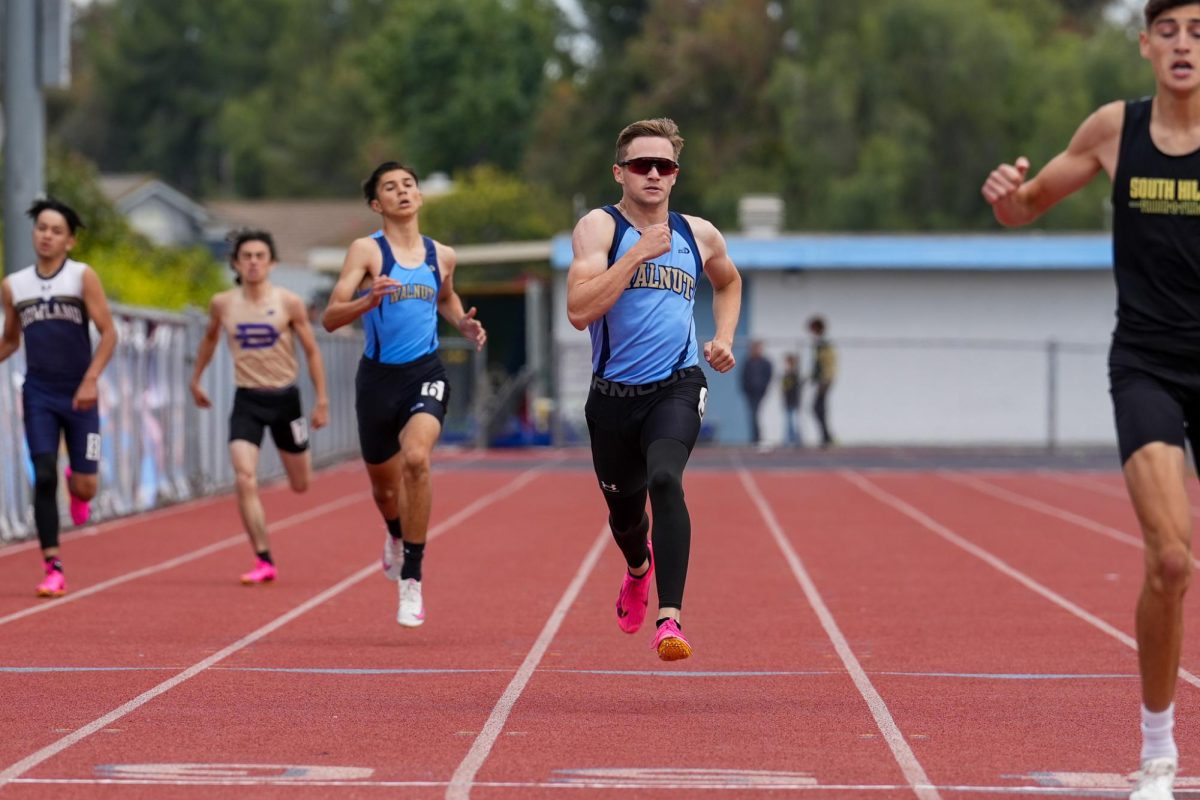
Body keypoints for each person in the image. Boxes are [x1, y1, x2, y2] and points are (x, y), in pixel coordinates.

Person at [981, 3, 1200, 796]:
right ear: (1145, 44)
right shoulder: (1117, 129)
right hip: (1147, 363)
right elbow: (1027, 206)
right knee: (1171, 558)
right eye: (1171, 31)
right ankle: (1158, 753)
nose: (1185, 45)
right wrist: (1005, 197)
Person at [567, 117, 742, 661]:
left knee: (666, 479)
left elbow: (730, 281)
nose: (652, 174)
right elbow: (579, 311)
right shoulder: (600, 229)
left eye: (663, 166)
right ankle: (637, 568)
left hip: (677, 384)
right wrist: (638, 254)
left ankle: (671, 620)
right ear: (620, 172)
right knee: (625, 517)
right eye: (641, 165)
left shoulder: (700, 233)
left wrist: (724, 335)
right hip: (613, 399)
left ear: (674, 176)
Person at [322, 161, 486, 628]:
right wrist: (365, 301)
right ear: (377, 204)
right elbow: (331, 317)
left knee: (416, 458)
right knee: (384, 489)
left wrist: (463, 323)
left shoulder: (442, 255)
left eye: (408, 184)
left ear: (419, 195)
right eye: (390, 188)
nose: (402, 192)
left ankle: (411, 576)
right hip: (377, 380)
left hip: (425, 373)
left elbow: (447, 297)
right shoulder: (366, 252)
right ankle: (395, 534)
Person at [190, 229, 329, 585]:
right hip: (247, 400)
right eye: (246, 256)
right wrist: (196, 379)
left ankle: (294, 464)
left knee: (301, 483)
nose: (253, 262)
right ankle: (263, 557)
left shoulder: (289, 302)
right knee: (244, 477)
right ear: (236, 263)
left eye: (259, 256)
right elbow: (208, 340)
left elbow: (312, 350)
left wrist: (321, 400)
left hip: (286, 400)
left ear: (272, 263)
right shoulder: (222, 303)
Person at [0, 198, 118, 597]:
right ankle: (53, 565)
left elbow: (110, 333)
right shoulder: (14, 285)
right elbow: (11, 340)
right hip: (38, 393)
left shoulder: (82, 277)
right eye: (41, 229)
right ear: (33, 234)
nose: (46, 236)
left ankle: (78, 482)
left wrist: (91, 380)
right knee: (43, 472)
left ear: (70, 241)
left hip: (82, 395)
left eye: (56, 231)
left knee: (86, 485)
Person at [808, 315, 837, 448]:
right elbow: (816, 365)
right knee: (818, 408)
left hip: (824, 381)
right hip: (821, 380)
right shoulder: (818, 344)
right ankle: (826, 436)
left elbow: (828, 364)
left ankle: (827, 437)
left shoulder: (824, 345)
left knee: (818, 408)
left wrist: (825, 381)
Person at [740, 340, 772, 446]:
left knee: (755, 414)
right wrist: (745, 389)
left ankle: (757, 437)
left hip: (760, 392)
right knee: (753, 414)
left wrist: (764, 388)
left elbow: (769, 376)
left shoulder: (765, 362)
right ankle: (755, 437)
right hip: (750, 393)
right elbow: (743, 377)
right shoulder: (748, 362)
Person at [781, 352, 802, 447]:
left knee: (793, 420)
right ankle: (790, 439)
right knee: (789, 420)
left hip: (793, 400)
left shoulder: (794, 375)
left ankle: (796, 439)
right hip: (788, 400)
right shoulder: (787, 374)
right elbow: (784, 388)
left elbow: (792, 387)